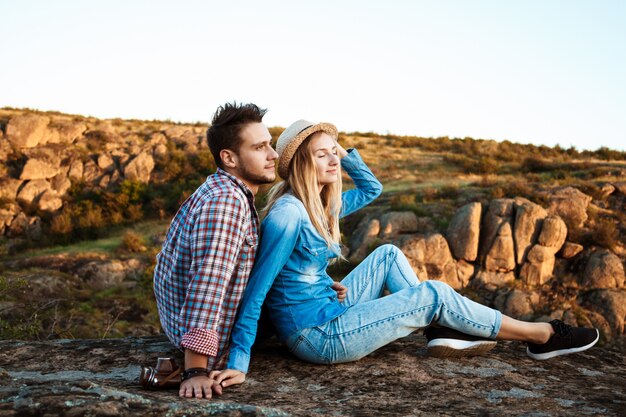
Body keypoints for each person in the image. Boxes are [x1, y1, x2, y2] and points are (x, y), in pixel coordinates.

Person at [212, 119, 600, 389]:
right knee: (432, 293)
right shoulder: (287, 215)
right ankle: (540, 336)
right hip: (317, 335)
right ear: (299, 164)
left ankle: (439, 329)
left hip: (329, 307)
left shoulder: (320, 206)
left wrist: (337, 149)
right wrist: (238, 361)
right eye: (321, 156)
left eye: (335, 153)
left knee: (388, 255)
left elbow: (370, 188)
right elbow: (257, 289)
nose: (333, 161)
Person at [153, 102, 279, 399]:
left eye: (270, 145)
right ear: (229, 157)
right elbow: (207, 286)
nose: (273, 155)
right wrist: (195, 370)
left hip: (194, 324)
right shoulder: (226, 203)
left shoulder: (223, 189)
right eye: (260, 147)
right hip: (211, 340)